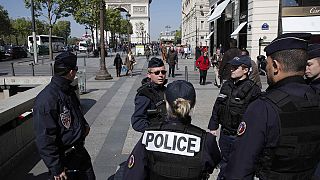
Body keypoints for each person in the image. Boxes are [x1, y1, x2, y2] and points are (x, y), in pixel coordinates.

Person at [224, 33, 320, 180]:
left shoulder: (263, 109)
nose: (266, 69)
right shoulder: (315, 98)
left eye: (267, 64)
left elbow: (239, 169)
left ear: (275, 66)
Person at [123, 80, 221, 180]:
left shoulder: (150, 136)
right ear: (193, 104)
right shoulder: (205, 140)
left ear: (167, 104)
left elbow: (133, 175)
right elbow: (212, 164)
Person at [33, 52, 95, 180]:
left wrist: (84, 127)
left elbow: (75, 114)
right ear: (71, 72)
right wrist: (56, 168)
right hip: (64, 161)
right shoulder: (47, 100)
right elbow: (44, 138)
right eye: (76, 69)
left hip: (79, 153)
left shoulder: (68, 91)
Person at [208, 55, 261, 179]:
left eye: (236, 67)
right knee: (224, 164)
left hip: (241, 137)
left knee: (241, 167)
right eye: (232, 67)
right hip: (225, 134)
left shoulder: (253, 90)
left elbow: (257, 117)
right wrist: (213, 126)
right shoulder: (227, 85)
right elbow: (217, 106)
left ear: (246, 70)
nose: (232, 69)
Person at [131, 57, 167, 132]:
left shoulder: (166, 90)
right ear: (149, 75)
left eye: (163, 72)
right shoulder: (145, 94)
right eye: (157, 73)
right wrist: (156, 130)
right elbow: (137, 121)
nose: (161, 75)